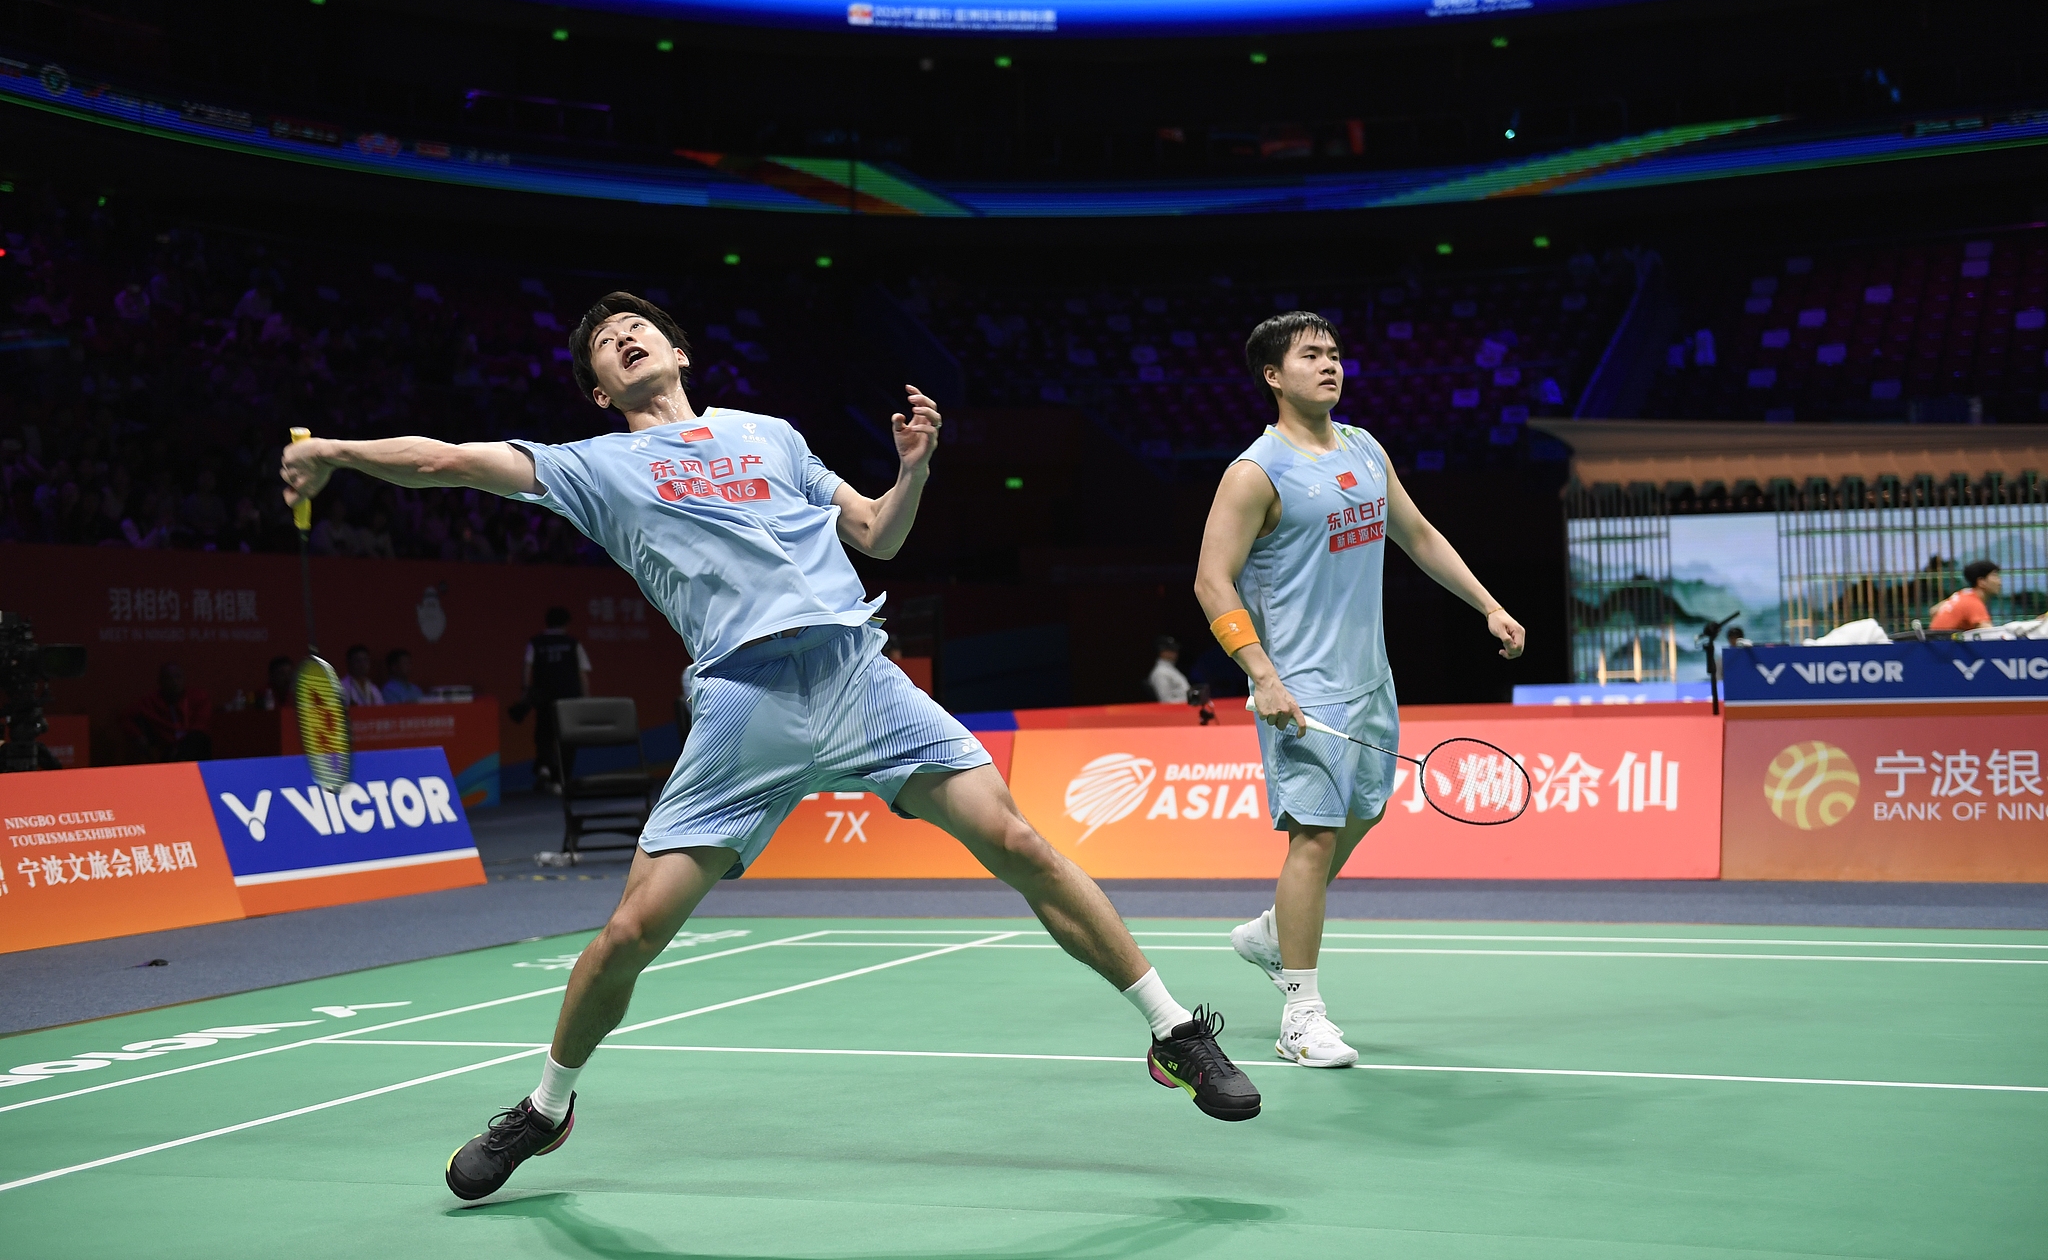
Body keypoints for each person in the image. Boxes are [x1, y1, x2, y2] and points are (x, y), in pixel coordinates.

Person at [280, 291, 1259, 1202]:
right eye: (604, 344)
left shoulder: (770, 436)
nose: (624, 338)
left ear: (678, 350)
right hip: (743, 712)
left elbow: (875, 533)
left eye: (637, 327)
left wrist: (913, 469)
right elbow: (447, 461)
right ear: (599, 390)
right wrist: (334, 451)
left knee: (1017, 841)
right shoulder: (594, 467)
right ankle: (545, 1108)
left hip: (857, 677)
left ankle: (1171, 1030)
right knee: (629, 934)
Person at [1194, 311, 1525, 1070]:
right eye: (1310, 355)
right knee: (1312, 838)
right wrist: (1262, 674)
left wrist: (1488, 605)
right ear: (1273, 376)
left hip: (1370, 678)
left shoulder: (1365, 449)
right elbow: (1212, 580)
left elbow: (1420, 535)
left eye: (1335, 353)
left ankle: (1274, 932)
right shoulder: (1255, 472)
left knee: (1362, 813)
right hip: (1301, 686)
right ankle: (1300, 1015)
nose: (1330, 365)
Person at [525, 606, 590, 788]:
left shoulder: (536, 642)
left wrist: (526, 691)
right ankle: (561, 779)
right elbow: (582, 673)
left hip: (543, 697)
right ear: (566, 623)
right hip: (569, 699)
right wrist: (586, 700)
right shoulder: (573, 643)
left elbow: (527, 667)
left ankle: (545, 767)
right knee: (567, 739)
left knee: (544, 735)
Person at [126, 661, 214, 761]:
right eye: (169, 678)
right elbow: (125, 717)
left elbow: (200, 726)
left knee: (198, 738)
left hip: (191, 745)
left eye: (178, 677)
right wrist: (138, 736)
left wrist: (180, 746)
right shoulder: (151, 701)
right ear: (160, 681)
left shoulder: (198, 697)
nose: (174, 681)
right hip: (167, 748)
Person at [1930, 560, 2001, 631]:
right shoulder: (1973, 602)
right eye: (1995, 576)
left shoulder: (1962, 594)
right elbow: (1989, 632)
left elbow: (1933, 610)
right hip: (1943, 637)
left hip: (1934, 636)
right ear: (1981, 582)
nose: (1999, 582)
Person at [1147, 635, 1191, 704]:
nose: (1175, 653)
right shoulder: (1160, 672)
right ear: (1161, 651)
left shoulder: (1170, 668)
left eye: (1175, 650)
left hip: (1186, 706)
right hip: (1178, 709)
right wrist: (1191, 700)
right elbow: (1166, 701)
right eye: (1171, 650)